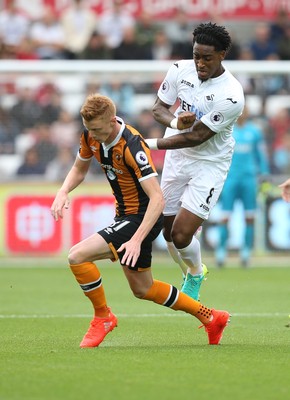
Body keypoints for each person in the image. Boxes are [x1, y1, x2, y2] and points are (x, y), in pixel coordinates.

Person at [50, 93, 230, 348]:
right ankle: (212, 317)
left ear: (112, 120)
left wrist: (136, 239)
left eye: (98, 129)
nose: (94, 135)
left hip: (142, 218)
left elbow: (158, 200)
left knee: (77, 255)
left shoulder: (133, 146)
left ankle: (103, 317)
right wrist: (63, 191)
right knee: (143, 289)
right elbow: (80, 167)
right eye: (89, 129)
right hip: (125, 216)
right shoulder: (90, 134)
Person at [146, 22, 245, 300]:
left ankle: (197, 272)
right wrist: (176, 121)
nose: (200, 63)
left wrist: (150, 144)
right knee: (167, 235)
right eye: (196, 56)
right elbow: (158, 108)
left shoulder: (232, 95)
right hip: (177, 157)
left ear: (222, 54)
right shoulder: (180, 69)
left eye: (207, 58)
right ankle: (189, 269)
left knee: (181, 234)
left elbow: (197, 136)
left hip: (209, 163)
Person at [215, 106, 270, 268]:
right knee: (225, 216)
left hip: (249, 179)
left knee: (250, 217)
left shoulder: (254, 132)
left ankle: (246, 252)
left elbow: (261, 155)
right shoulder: (226, 131)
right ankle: (221, 251)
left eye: (245, 110)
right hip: (230, 179)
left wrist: (264, 174)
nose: (242, 114)